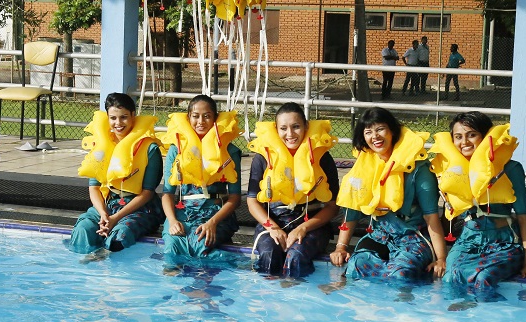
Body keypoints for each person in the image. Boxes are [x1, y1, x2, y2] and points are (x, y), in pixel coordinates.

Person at [331, 107, 448, 281]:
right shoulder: (364, 166)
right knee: (355, 267)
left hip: (413, 236)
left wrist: (441, 259)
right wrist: (341, 247)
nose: (375, 137)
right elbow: (352, 210)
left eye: (380, 129)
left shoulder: (419, 170)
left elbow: (431, 217)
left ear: (392, 130)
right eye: (368, 132)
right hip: (380, 235)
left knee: (401, 274)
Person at [428, 112, 526, 299]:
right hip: (467, 241)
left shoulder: (510, 169)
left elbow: (524, 217)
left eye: (472, 135)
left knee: (483, 279)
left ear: (486, 137)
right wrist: (440, 258)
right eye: (458, 137)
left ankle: (488, 321)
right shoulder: (451, 170)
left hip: (504, 243)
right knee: (450, 279)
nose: (465, 142)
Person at [245, 103, 339, 278]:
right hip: (272, 221)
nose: (290, 134)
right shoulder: (262, 158)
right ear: (276, 129)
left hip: (311, 224)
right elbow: (252, 201)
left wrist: (303, 228)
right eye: (283, 128)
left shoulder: (322, 157)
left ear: (306, 126)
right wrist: (272, 227)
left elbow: (333, 206)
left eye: (296, 127)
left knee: (295, 256)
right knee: (269, 255)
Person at [70, 93, 164, 254]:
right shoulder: (101, 146)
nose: (118, 123)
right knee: (83, 230)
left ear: (133, 116)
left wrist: (116, 218)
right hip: (107, 206)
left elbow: (147, 193)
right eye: (113, 118)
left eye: (124, 117)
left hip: (139, 209)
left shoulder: (150, 149)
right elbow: (94, 187)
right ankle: (83, 271)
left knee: (119, 236)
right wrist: (104, 214)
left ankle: (106, 265)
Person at [160, 95, 241, 262]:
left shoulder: (230, 151)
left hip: (215, 213)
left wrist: (213, 222)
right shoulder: (176, 150)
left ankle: (238, 265)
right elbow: (167, 192)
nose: (201, 121)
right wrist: (172, 220)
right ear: (188, 117)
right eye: (195, 116)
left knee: (199, 245)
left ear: (215, 118)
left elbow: (235, 197)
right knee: (171, 248)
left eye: (207, 116)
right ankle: (174, 285)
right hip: (183, 213)